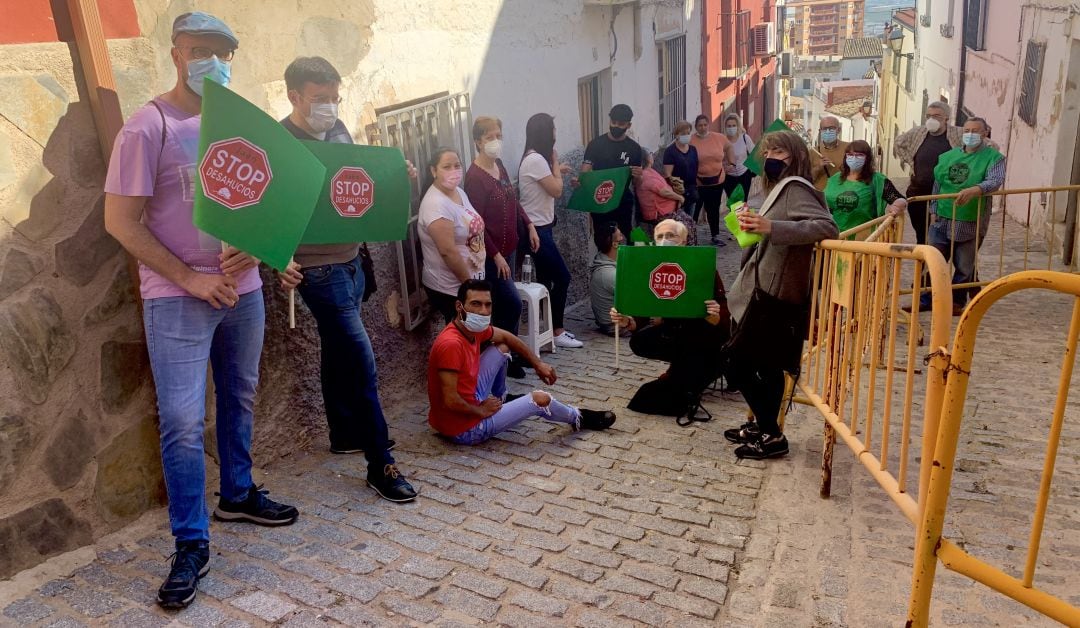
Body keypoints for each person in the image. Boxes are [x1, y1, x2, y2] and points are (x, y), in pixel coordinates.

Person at [102, 12, 298, 609]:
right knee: (183, 423)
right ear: (177, 52)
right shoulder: (147, 127)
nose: (213, 59)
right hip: (177, 301)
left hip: (244, 293)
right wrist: (189, 276)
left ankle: (237, 492)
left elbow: (263, 201)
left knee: (239, 395)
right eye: (202, 49)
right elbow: (119, 221)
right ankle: (191, 542)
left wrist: (269, 253)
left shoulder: (238, 125)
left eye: (223, 51)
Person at [276, 56, 417, 503]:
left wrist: (398, 178)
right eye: (320, 99)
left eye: (335, 98)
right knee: (361, 360)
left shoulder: (339, 133)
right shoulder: (278, 143)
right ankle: (381, 462)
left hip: (353, 262)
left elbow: (356, 187)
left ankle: (341, 432)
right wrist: (277, 258)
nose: (330, 107)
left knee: (339, 350)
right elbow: (265, 208)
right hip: (318, 273)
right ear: (294, 96)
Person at [723, 130, 838, 459]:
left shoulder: (796, 187)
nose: (772, 156)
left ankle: (772, 432)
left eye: (779, 151)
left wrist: (772, 228)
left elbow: (827, 227)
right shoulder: (775, 187)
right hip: (763, 286)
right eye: (769, 150)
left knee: (737, 361)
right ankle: (764, 428)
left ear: (796, 156)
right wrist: (749, 224)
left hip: (775, 293)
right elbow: (765, 230)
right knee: (766, 366)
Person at [427, 279, 617, 444]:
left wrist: (537, 364)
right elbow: (450, 400)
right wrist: (481, 411)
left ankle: (501, 398)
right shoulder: (451, 344)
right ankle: (578, 417)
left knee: (502, 347)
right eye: (476, 304)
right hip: (465, 429)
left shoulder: (469, 328)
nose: (483, 311)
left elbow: (508, 338)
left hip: (468, 401)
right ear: (460, 307)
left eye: (488, 304)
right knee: (540, 399)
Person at [610, 219, 730, 419]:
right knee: (640, 341)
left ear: (683, 241)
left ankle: (705, 368)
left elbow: (723, 310)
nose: (665, 240)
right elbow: (642, 309)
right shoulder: (651, 265)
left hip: (702, 335)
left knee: (658, 395)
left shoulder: (702, 265)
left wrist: (715, 314)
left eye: (671, 236)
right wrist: (627, 321)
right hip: (676, 334)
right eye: (660, 237)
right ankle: (682, 370)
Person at [463, 116, 539, 377]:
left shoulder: (500, 166)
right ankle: (503, 357)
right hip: (491, 255)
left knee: (507, 305)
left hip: (511, 247)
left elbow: (513, 200)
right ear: (477, 141)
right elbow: (477, 222)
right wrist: (495, 255)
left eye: (498, 136)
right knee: (511, 303)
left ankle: (511, 354)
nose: (495, 142)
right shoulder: (474, 178)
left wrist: (528, 224)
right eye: (489, 137)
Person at [913, 117, 1005, 314]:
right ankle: (925, 299)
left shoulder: (994, 158)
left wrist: (977, 189)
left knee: (964, 265)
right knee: (932, 260)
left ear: (985, 133)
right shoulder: (948, 156)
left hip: (970, 217)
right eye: (967, 130)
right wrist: (933, 210)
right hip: (942, 216)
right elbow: (938, 184)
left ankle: (956, 302)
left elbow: (995, 180)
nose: (970, 134)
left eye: (975, 131)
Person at [518, 113, 584, 348]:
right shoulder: (536, 159)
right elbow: (556, 190)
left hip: (542, 227)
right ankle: (558, 330)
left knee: (546, 281)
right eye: (553, 129)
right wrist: (556, 163)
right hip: (537, 231)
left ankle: (547, 332)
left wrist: (557, 168)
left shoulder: (534, 159)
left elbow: (549, 183)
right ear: (546, 133)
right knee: (562, 277)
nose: (556, 133)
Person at [419, 147, 485, 323]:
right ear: (433, 171)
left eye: (457, 165)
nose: (454, 171)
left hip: (471, 280)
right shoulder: (436, 204)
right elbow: (448, 251)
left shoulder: (458, 192)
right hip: (451, 287)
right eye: (446, 167)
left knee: (475, 335)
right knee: (466, 336)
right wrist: (470, 288)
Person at [893, 101, 964, 244]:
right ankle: (923, 260)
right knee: (921, 231)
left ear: (946, 118)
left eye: (937, 116)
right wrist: (911, 162)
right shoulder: (918, 132)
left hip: (946, 192)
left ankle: (937, 258)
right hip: (919, 190)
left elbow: (988, 145)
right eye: (929, 115)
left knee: (941, 232)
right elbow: (898, 143)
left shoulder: (958, 133)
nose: (932, 119)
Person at [581, 104, 644, 238]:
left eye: (620, 124)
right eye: (613, 122)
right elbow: (585, 172)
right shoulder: (595, 145)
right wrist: (581, 181)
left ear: (629, 125)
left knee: (625, 235)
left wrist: (639, 176)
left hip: (623, 201)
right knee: (602, 238)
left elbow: (637, 183)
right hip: (600, 199)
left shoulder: (634, 149)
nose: (615, 126)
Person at [824, 139, 907, 234]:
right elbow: (826, 205)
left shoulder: (877, 180)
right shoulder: (835, 179)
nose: (854, 158)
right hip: (837, 236)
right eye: (850, 155)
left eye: (859, 155)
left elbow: (899, 198)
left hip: (866, 237)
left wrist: (896, 206)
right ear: (845, 157)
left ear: (867, 158)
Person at [690, 114, 735, 245]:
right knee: (695, 209)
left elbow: (729, 147)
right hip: (698, 182)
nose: (703, 128)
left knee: (713, 209)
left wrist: (731, 163)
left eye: (705, 125)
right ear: (696, 127)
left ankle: (715, 236)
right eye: (700, 125)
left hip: (717, 180)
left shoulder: (719, 138)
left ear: (708, 125)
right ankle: (691, 238)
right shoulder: (691, 140)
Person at [589, 222, 622, 335]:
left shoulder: (601, 259)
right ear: (615, 244)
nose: (623, 239)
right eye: (620, 238)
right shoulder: (609, 273)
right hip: (616, 326)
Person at [662, 120, 699, 215]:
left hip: (692, 190)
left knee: (689, 220)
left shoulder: (693, 150)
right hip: (677, 192)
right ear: (677, 135)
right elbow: (667, 174)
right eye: (683, 133)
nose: (686, 135)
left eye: (688, 133)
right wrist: (676, 190)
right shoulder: (670, 151)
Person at [721, 113, 756, 203]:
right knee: (733, 204)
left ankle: (741, 217)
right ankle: (735, 217)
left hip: (744, 175)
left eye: (733, 125)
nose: (731, 128)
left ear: (738, 126)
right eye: (729, 126)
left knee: (743, 203)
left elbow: (754, 153)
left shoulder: (745, 138)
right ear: (725, 127)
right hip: (729, 177)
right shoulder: (722, 140)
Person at [810, 116, 849, 191]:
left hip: (843, 194)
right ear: (820, 131)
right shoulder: (812, 152)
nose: (828, 131)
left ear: (839, 130)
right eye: (824, 129)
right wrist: (818, 167)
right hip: (821, 196)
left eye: (831, 128)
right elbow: (808, 179)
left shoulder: (848, 148)